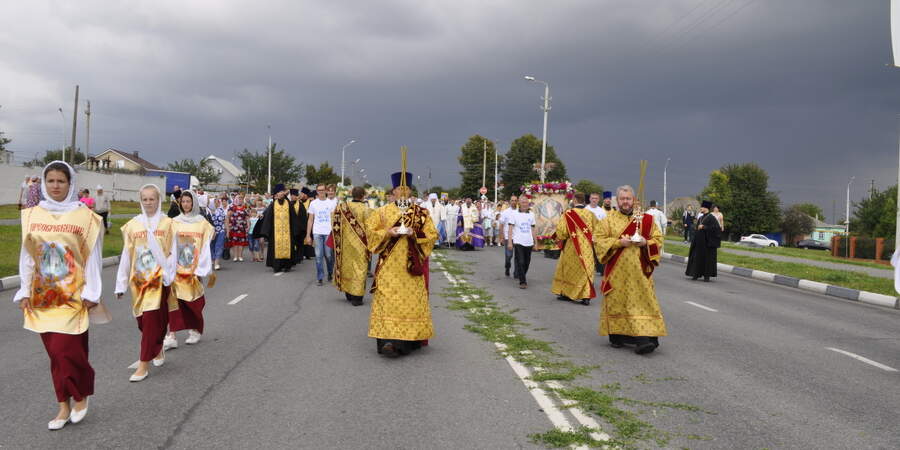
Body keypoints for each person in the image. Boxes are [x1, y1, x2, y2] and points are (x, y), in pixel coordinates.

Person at [14, 161, 109, 430]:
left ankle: (80, 394)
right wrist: (24, 289)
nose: (55, 186)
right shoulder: (32, 215)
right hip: (43, 297)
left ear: (71, 184)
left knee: (68, 352)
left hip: (73, 296)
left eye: (61, 181)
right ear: (44, 183)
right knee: (55, 355)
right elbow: (27, 257)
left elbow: (92, 258)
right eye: (51, 181)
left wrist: (93, 292)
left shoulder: (86, 218)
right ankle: (62, 405)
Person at [365, 164, 437, 356]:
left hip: (410, 267)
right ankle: (388, 342)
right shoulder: (382, 212)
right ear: (394, 191)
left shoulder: (421, 213)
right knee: (387, 302)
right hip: (388, 267)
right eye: (399, 190)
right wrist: (388, 232)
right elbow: (370, 233)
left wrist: (415, 233)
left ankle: (407, 342)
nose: (403, 193)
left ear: (411, 191)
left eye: (406, 190)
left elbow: (431, 235)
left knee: (409, 304)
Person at [593, 185, 666, 355]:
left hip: (640, 271)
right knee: (619, 303)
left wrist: (645, 243)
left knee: (644, 303)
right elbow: (598, 240)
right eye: (622, 199)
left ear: (633, 200)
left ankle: (648, 338)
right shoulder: (608, 220)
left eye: (628, 198)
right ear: (617, 201)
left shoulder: (646, 219)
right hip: (617, 272)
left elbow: (658, 239)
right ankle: (618, 335)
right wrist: (619, 243)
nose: (625, 202)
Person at [114, 184, 176, 382]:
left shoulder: (168, 224)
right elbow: (127, 254)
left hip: (158, 281)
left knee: (150, 320)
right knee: (143, 321)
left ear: (159, 200)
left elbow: (173, 252)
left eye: (152, 198)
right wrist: (121, 283)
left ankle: (143, 365)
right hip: (138, 282)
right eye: (145, 199)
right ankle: (157, 348)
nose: (149, 202)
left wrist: (169, 275)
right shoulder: (133, 225)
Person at [164, 190, 214, 350]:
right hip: (177, 267)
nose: (186, 204)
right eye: (183, 201)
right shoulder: (175, 221)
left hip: (194, 267)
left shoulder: (201, 222)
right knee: (173, 299)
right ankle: (171, 335)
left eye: (188, 201)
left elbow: (210, 236)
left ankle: (195, 329)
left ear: (194, 203)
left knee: (192, 300)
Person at [551, 192, 599, 305]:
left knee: (570, 270)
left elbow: (562, 233)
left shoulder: (568, 214)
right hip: (587, 248)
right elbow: (597, 231)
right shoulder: (590, 214)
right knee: (585, 270)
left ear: (575, 200)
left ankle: (568, 293)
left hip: (572, 248)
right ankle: (586, 296)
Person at [333, 186, 372, 306]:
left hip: (345, 244)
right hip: (361, 245)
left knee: (347, 268)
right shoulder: (366, 210)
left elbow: (334, 223)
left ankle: (349, 294)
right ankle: (357, 298)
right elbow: (371, 229)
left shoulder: (342, 207)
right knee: (360, 269)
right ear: (363, 196)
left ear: (352, 195)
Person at [259, 184, 301, 273]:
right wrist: (266, 231)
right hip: (276, 232)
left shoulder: (288, 204)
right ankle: (277, 266)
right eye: (279, 192)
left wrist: (295, 230)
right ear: (276, 194)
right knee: (276, 248)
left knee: (287, 247)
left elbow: (293, 217)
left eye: (282, 192)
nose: (281, 193)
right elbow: (268, 218)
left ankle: (286, 266)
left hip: (287, 232)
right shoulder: (273, 205)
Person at [306, 184, 337, 285]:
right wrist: (308, 235)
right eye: (319, 190)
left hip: (328, 232)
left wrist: (334, 233)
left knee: (328, 255)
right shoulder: (313, 203)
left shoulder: (331, 203)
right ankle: (320, 277)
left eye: (323, 190)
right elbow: (310, 220)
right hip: (317, 232)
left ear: (326, 191)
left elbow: (333, 219)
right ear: (316, 191)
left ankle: (330, 273)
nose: (321, 192)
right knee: (318, 256)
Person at [686, 200, 721, 282]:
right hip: (699, 243)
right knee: (696, 258)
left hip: (707, 244)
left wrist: (704, 227)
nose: (700, 208)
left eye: (702, 207)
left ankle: (706, 276)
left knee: (707, 259)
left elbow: (716, 229)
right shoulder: (701, 217)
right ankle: (695, 274)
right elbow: (697, 228)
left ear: (706, 208)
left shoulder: (712, 218)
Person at [507, 196, 537, 289]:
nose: (525, 204)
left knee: (527, 262)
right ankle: (522, 281)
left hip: (529, 242)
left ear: (528, 204)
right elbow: (510, 229)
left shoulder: (531, 214)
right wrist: (510, 242)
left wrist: (536, 242)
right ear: (519, 203)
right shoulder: (514, 214)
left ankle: (521, 274)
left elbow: (533, 229)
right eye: (523, 202)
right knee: (521, 261)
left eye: (526, 202)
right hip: (518, 241)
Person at [498, 195, 519, 277]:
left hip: (517, 237)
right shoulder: (505, 212)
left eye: (515, 200)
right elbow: (501, 225)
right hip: (508, 237)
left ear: (517, 201)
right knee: (509, 255)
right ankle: (507, 266)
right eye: (512, 200)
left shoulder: (519, 211)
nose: (514, 202)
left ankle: (516, 272)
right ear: (510, 201)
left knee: (518, 256)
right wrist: (501, 237)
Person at [226, 194, 249, 262]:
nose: (240, 200)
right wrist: (228, 225)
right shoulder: (232, 207)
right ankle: (235, 256)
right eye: (239, 198)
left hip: (242, 227)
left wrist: (248, 226)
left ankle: (240, 256)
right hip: (234, 227)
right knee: (235, 242)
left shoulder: (245, 207)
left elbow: (247, 218)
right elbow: (227, 216)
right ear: (236, 199)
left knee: (241, 242)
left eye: (241, 198)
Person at [289, 189, 308, 265]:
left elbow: (304, 218)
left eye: (294, 196)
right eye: (291, 196)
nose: (292, 197)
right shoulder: (289, 204)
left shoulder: (300, 205)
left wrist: (303, 228)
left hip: (300, 228)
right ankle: (293, 257)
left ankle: (299, 257)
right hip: (291, 228)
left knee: (299, 244)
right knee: (292, 244)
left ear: (296, 196)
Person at [209, 198, 227, 270]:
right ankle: (213, 259)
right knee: (211, 246)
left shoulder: (221, 210)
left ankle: (217, 262)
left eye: (218, 202)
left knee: (219, 246)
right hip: (211, 232)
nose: (218, 203)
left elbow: (225, 220)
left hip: (221, 231)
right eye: (216, 202)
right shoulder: (208, 211)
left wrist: (227, 230)